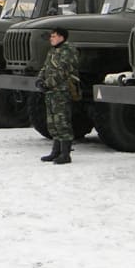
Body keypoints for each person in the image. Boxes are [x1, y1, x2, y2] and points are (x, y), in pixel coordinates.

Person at [36, 27, 79, 165]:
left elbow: (62, 71)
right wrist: (40, 79)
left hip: (62, 91)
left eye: (54, 36)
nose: (51, 38)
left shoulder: (68, 51)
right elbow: (46, 67)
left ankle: (65, 154)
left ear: (61, 37)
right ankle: (56, 151)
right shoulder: (53, 51)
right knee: (52, 122)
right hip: (51, 91)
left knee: (62, 121)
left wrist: (47, 84)